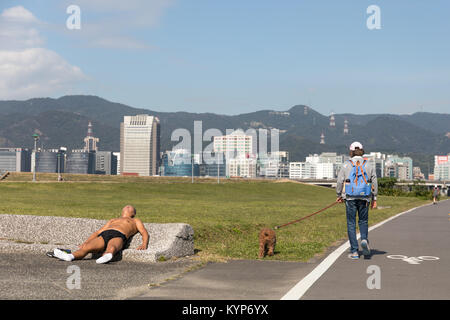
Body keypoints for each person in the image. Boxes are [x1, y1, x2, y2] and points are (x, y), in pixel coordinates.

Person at [53, 205, 149, 264]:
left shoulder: (135, 220)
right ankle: (70, 256)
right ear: (122, 211)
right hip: (105, 234)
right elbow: (98, 232)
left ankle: (106, 256)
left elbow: (144, 232)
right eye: (126, 206)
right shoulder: (113, 220)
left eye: (130, 207)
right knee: (86, 248)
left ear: (133, 213)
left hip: (119, 235)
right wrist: (86, 242)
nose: (128, 207)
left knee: (112, 248)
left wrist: (144, 244)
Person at [336, 142, 378, 260]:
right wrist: (374, 198)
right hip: (365, 197)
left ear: (351, 151)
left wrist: (339, 194)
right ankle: (364, 239)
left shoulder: (346, 165)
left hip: (350, 197)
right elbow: (374, 182)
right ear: (362, 151)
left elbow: (340, 181)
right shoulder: (368, 165)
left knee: (351, 223)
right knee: (363, 221)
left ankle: (354, 251)